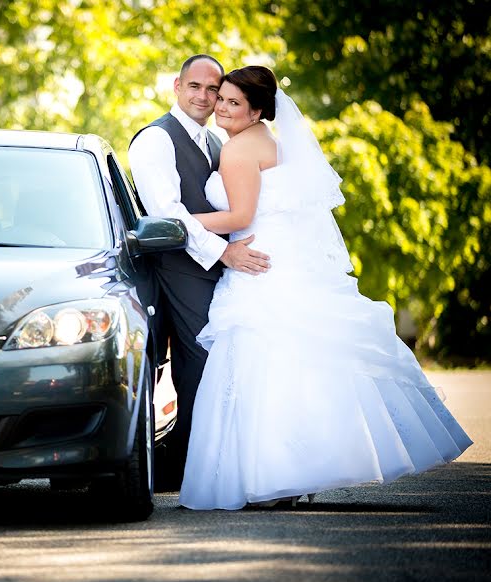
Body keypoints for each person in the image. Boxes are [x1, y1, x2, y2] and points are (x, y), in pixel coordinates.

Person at [178, 66, 473, 510]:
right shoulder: (266, 142)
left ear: (257, 110)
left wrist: (181, 221)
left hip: (258, 264)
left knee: (261, 363)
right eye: (221, 98)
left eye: (233, 102)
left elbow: (240, 217)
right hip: (281, 259)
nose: (221, 106)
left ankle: (271, 475)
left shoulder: (237, 150)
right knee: (291, 364)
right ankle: (287, 474)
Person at [128, 55, 271, 490]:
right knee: (200, 362)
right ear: (176, 86)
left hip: (211, 269)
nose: (204, 97)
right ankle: (184, 463)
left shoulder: (214, 142)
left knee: (215, 361)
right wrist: (224, 254)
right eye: (195, 86)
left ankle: (201, 457)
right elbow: (167, 215)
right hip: (177, 269)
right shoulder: (155, 140)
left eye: (213, 90)